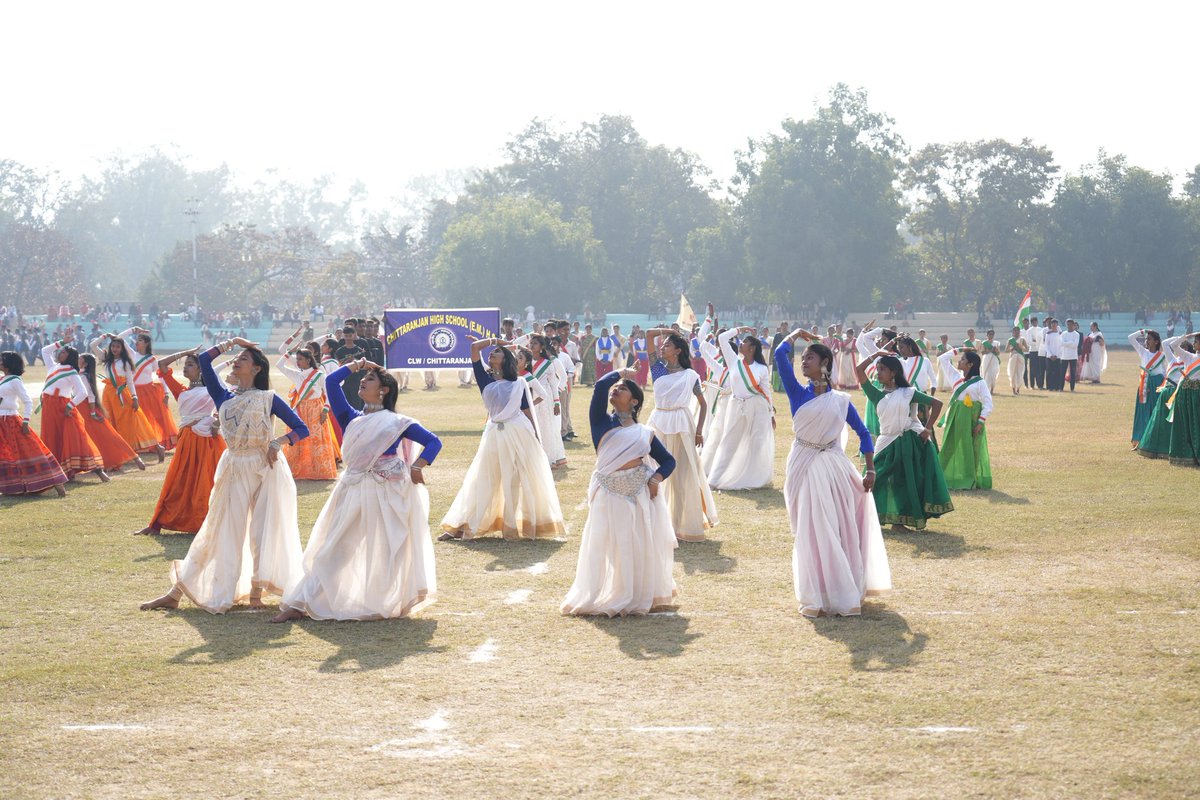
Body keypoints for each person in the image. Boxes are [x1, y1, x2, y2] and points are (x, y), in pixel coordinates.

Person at [139, 338, 310, 613]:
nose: (237, 361)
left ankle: (256, 595)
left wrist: (278, 443)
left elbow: (302, 429)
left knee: (263, 530)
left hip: (265, 467)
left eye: (244, 359)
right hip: (234, 465)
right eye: (237, 358)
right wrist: (231, 343)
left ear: (256, 369)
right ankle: (175, 593)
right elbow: (204, 360)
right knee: (218, 528)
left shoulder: (268, 398)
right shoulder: (222, 395)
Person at [272, 359, 442, 621]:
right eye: (364, 378)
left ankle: (385, 600)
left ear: (384, 390)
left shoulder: (398, 422)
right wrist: (358, 365)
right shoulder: (350, 417)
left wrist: (419, 465)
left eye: (371, 379)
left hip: (386, 493)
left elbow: (433, 442)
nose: (363, 380)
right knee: (334, 547)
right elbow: (331, 381)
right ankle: (299, 604)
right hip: (351, 489)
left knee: (387, 548)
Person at [774, 329, 890, 617]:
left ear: (825, 363)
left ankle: (840, 590)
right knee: (810, 528)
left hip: (834, 468)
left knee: (832, 526)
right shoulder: (797, 392)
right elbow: (779, 354)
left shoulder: (840, 400)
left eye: (810, 358)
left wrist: (871, 468)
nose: (804, 362)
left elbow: (863, 433)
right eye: (802, 358)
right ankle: (820, 591)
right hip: (803, 464)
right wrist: (796, 335)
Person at [560, 368, 679, 616]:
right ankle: (606, 593)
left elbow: (668, 461)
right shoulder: (601, 421)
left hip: (639, 491)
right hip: (607, 490)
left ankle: (637, 594)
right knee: (605, 544)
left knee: (636, 543)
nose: (616, 389)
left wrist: (656, 478)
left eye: (623, 388)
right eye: (616, 387)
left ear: (634, 401)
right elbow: (600, 386)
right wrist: (621, 373)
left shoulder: (644, 433)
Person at [439, 337, 566, 540]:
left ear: (506, 359)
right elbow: (474, 347)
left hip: (519, 433)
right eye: (492, 351)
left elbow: (526, 411)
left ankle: (517, 525)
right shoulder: (485, 378)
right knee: (483, 477)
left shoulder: (519, 383)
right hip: (494, 434)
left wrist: (536, 438)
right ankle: (463, 525)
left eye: (497, 352)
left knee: (518, 479)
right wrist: (497, 342)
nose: (492, 353)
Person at [854, 352, 952, 532]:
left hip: (907, 442)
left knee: (904, 482)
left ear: (893, 373)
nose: (878, 373)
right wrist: (877, 354)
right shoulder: (876, 394)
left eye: (882, 369)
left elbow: (937, 404)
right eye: (877, 369)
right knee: (874, 478)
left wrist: (927, 429)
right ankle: (861, 517)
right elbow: (859, 370)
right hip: (885, 441)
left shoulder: (908, 393)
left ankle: (898, 523)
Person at [134, 347, 228, 535]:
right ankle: (157, 524)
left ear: (201, 369)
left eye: (190, 365)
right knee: (179, 481)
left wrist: (216, 421)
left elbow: (226, 406)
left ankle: (207, 523)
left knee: (207, 480)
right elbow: (162, 365)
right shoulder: (182, 391)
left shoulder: (211, 389)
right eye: (185, 364)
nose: (185, 367)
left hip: (207, 440)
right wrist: (187, 353)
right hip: (187, 440)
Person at [644, 326, 717, 541]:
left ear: (677, 351)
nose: (662, 347)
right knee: (653, 471)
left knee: (683, 476)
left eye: (667, 345)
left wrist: (699, 431)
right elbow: (649, 334)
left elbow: (703, 404)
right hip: (658, 422)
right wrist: (670, 331)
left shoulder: (690, 375)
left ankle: (680, 525)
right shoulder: (657, 369)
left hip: (683, 425)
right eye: (663, 344)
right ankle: (655, 524)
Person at [706, 325, 775, 490]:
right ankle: (715, 480)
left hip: (758, 407)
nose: (740, 343)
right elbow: (722, 338)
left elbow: (766, 393)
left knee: (757, 442)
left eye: (744, 342)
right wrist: (740, 329)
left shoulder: (761, 368)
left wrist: (771, 414)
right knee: (729, 441)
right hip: (736, 405)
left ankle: (754, 477)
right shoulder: (734, 361)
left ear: (752, 348)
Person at [36, 339, 108, 482]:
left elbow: (83, 393)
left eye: (63, 352)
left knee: (74, 438)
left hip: (62, 406)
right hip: (49, 406)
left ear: (69, 357)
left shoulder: (72, 372)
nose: (59, 353)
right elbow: (45, 350)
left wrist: (70, 406)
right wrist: (62, 342)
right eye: (60, 351)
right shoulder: (53, 367)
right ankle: (61, 472)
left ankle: (97, 470)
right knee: (52, 436)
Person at [0, 351, 68, 497]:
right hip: (1, 421)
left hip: (12, 420)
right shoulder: (2, 379)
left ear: (8, 364)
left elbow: (27, 401)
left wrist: (25, 421)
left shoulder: (15, 381)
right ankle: (15, 486)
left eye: (1, 360)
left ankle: (56, 482)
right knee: (7, 454)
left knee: (31, 452)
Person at [90, 329, 165, 462]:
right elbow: (93, 345)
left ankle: (156, 446)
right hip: (108, 394)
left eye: (118, 347)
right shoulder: (105, 358)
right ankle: (119, 451)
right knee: (110, 421)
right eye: (113, 346)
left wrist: (134, 397)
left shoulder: (125, 362)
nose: (115, 349)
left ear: (122, 348)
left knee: (129, 422)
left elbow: (130, 382)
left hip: (122, 394)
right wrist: (105, 335)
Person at [276, 342, 339, 480]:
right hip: (300, 408)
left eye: (300, 359)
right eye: (297, 359)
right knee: (299, 437)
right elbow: (279, 365)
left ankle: (318, 470)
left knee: (316, 439)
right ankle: (299, 469)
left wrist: (325, 410)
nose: (297, 362)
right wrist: (289, 352)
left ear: (309, 360)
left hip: (316, 408)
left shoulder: (319, 375)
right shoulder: (296, 375)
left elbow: (329, 393)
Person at [77, 353, 146, 473]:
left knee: (109, 435)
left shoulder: (83, 377)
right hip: (83, 409)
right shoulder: (80, 375)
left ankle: (135, 458)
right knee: (95, 438)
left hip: (88, 410)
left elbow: (91, 395)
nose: (78, 360)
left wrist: (92, 413)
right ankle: (99, 463)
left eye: (80, 359)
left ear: (85, 364)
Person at [937, 347, 993, 490]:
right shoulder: (956, 377)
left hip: (972, 419)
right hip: (956, 416)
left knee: (970, 449)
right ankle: (939, 477)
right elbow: (942, 358)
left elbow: (988, 403)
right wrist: (961, 349)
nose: (959, 361)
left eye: (963, 359)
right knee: (949, 445)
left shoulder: (980, 382)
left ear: (970, 364)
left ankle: (970, 478)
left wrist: (980, 422)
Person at [1138, 336, 1192, 460]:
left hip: (1178, 393)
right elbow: (1165, 343)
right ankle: (1158, 450)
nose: (1180, 349)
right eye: (1180, 346)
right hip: (1166, 393)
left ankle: (1172, 450)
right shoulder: (1172, 359)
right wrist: (1180, 337)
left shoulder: (1189, 360)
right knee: (1160, 422)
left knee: (1174, 424)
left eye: (1184, 347)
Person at [129, 331, 179, 451]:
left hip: (149, 391)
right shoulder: (132, 354)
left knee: (157, 417)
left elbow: (161, 376)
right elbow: (119, 340)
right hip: (134, 392)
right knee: (138, 420)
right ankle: (141, 445)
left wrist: (166, 393)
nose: (137, 342)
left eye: (140, 340)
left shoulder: (152, 359)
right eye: (137, 339)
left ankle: (163, 442)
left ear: (146, 343)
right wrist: (132, 330)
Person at [1163, 334, 1200, 468]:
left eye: (1196, 341)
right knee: (1184, 422)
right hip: (1184, 394)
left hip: (1197, 394)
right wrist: (1186, 336)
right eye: (1194, 341)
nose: (1194, 343)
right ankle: (1186, 455)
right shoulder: (1189, 356)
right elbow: (1173, 345)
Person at [1129, 329, 1168, 449]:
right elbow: (1131, 338)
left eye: (1149, 339)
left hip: (1157, 384)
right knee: (1142, 413)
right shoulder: (1143, 352)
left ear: (1156, 342)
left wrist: (1163, 386)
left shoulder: (1161, 356)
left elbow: (1163, 372)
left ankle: (1152, 442)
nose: (1147, 341)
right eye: (1146, 339)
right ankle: (1139, 440)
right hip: (1144, 384)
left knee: (1154, 412)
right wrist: (1143, 331)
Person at [1005, 327, 1028, 396]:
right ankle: (1013, 389)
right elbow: (1006, 350)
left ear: (1019, 332)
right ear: (1013, 332)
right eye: (1015, 331)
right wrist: (1012, 349)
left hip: (1020, 357)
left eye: (1017, 331)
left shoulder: (1022, 339)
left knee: (1020, 373)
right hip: (1013, 356)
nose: (1016, 332)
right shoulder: (1010, 340)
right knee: (1012, 373)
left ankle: (1018, 388)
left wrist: (1021, 347)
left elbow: (1027, 349)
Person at [1059, 320, 1081, 392]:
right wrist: (1071, 342)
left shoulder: (1076, 334)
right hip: (1064, 356)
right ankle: (1061, 388)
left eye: (1071, 324)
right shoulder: (1063, 334)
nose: (1069, 326)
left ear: (1074, 325)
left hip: (1073, 356)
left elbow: (1075, 345)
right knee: (1062, 373)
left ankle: (1072, 388)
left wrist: (1067, 343)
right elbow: (1062, 343)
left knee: (1072, 373)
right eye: (1068, 324)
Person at [1027, 316, 1045, 390]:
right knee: (1032, 368)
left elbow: (1042, 340)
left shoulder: (1041, 329)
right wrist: (1037, 342)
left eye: (1036, 321)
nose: (1035, 323)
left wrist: (1035, 341)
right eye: (1033, 322)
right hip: (1032, 351)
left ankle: (1039, 384)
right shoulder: (1029, 330)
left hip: (1039, 351)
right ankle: (1032, 385)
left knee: (1039, 368)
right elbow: (1029, 342)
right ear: (1031, 323)